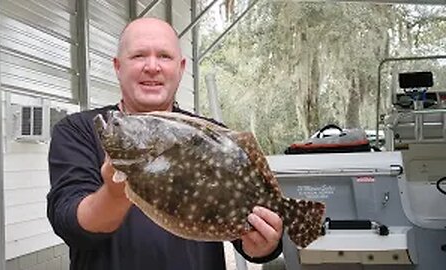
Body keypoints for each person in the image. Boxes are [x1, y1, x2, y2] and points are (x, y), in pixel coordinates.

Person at [47, 17, 284, 270]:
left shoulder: (212, 138)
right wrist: (115, 194)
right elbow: (69, 223)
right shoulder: (77, 130)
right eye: (138, 56)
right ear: (117, 67)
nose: (152, 66)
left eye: (164, 56)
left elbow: (250, 239)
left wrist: (265, 244)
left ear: (181, 68)